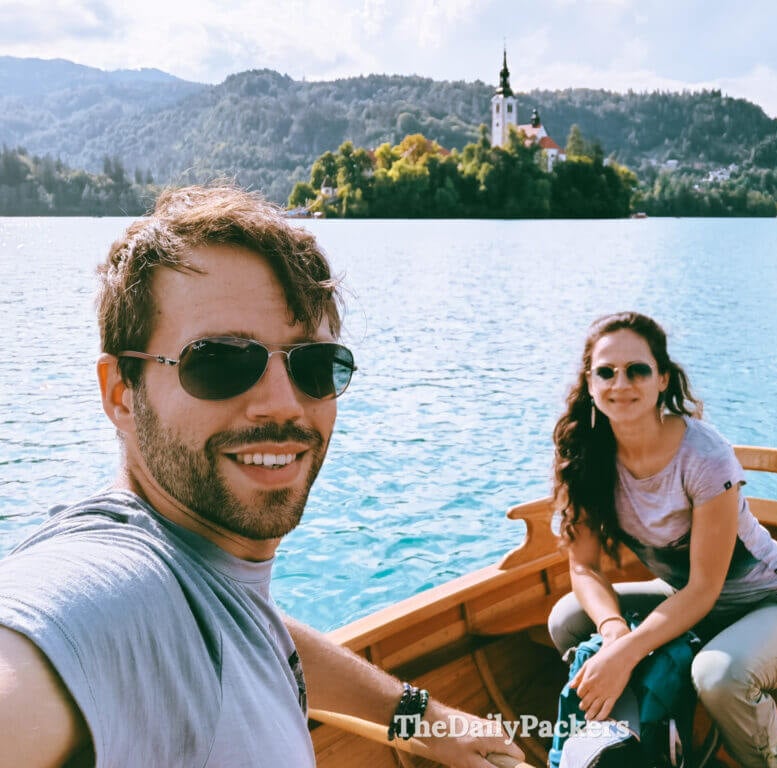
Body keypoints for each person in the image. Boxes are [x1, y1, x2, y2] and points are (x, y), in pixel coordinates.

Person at [0, 185, 524, 768]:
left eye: (314, 364)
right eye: (221, 361)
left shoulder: (199, 579)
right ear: (122, 393)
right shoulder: (111, 588)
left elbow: (244, 621)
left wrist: (416, 716)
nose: (283, 404)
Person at [547, 311, 777, 768]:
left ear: (662, 379)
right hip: (691, 600)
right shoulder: (586, 453)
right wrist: (615, 634)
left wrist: (625, 653)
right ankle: (642, 731)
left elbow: (704, 588)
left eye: (637, 370)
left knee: (717, 675)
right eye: (606, 372)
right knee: (568, 619)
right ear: (590, 383)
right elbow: (584, 568)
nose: (621, 384)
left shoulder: (704, 457)